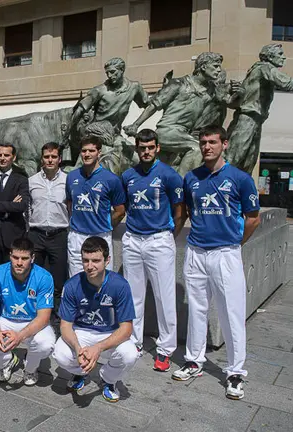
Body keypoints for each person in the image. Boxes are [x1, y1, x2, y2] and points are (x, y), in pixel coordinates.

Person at [171, 125, 260, 401]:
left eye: (212, 142)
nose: (207, 146)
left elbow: (253, 218)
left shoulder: (240, 178)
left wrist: (235, 243)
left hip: (225, 254)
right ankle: (194, 361)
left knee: (231, 314)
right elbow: (185, 211)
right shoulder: (192, 178)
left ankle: (234, 372)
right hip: (196, 252)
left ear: (225, 144)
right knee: (196, 310)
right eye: (203, 142)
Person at [120, 129, 184, 370]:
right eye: (141, 147)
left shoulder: (169, 175)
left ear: (157, 148)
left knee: (164, 296)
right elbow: (126, 206)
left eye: (150, 147)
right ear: (137, 149)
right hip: (133, 240)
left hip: (159, 240)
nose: (146, 151)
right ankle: (134, 342)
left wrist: (167, 236)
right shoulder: (128, 175)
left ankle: (165, 349)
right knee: (133, 296)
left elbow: (180, 212)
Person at [52, 236, 138, 403]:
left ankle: (109, 379)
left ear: (107, 261)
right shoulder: (72, 285)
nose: (90, 266)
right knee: (60, 354)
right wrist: (78, 349)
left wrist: (98, 348)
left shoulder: (120, 285)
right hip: (81, 331)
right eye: (86, 260)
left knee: (130, 354)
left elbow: (126, 329)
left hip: (109, 332)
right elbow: (65, 326)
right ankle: (80, 373)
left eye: (96, 261)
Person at [0, 237, 55, 385]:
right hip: (6, 319)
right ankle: (6, 361)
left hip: (32, 320)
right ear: (10, 255)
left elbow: (43, 317)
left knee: (46, 345)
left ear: (33, 258)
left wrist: (19, 337)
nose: (19, 262)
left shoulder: (44, 277)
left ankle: (30, 367)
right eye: (15, 257)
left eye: (24, 258)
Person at [226, 44, 293, 173]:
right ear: (270, 56)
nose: (284, 57)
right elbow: (281, 80)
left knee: (250, 157)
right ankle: (221, 181)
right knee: (237, 153)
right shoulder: (264, 67)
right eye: (280, 54)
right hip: (248, 117)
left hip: (256, 118)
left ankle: (241, 185)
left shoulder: (259, 69)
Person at [65, 136, 125, 277]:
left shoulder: (111, 179)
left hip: (101, 235)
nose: (87, 154)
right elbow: (69, 204)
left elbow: (120, 211)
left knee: (102, 282)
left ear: (99, 152)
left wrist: (104, 224)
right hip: (77, 236)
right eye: (84, 151)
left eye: (91, 150)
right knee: (76, 281)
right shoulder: (72, 176)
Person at [27, 142, 69, 307]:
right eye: (46, 157)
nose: (50, 160)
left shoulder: (68, 180)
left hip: (59, 235)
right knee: (34, 277)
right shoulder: (31, 181)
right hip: (36, 234)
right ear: (42, 159)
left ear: (59, 159)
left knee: (59, 279)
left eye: (53, 157)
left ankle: (56, 317)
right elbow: (27, 207)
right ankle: (35, 314)